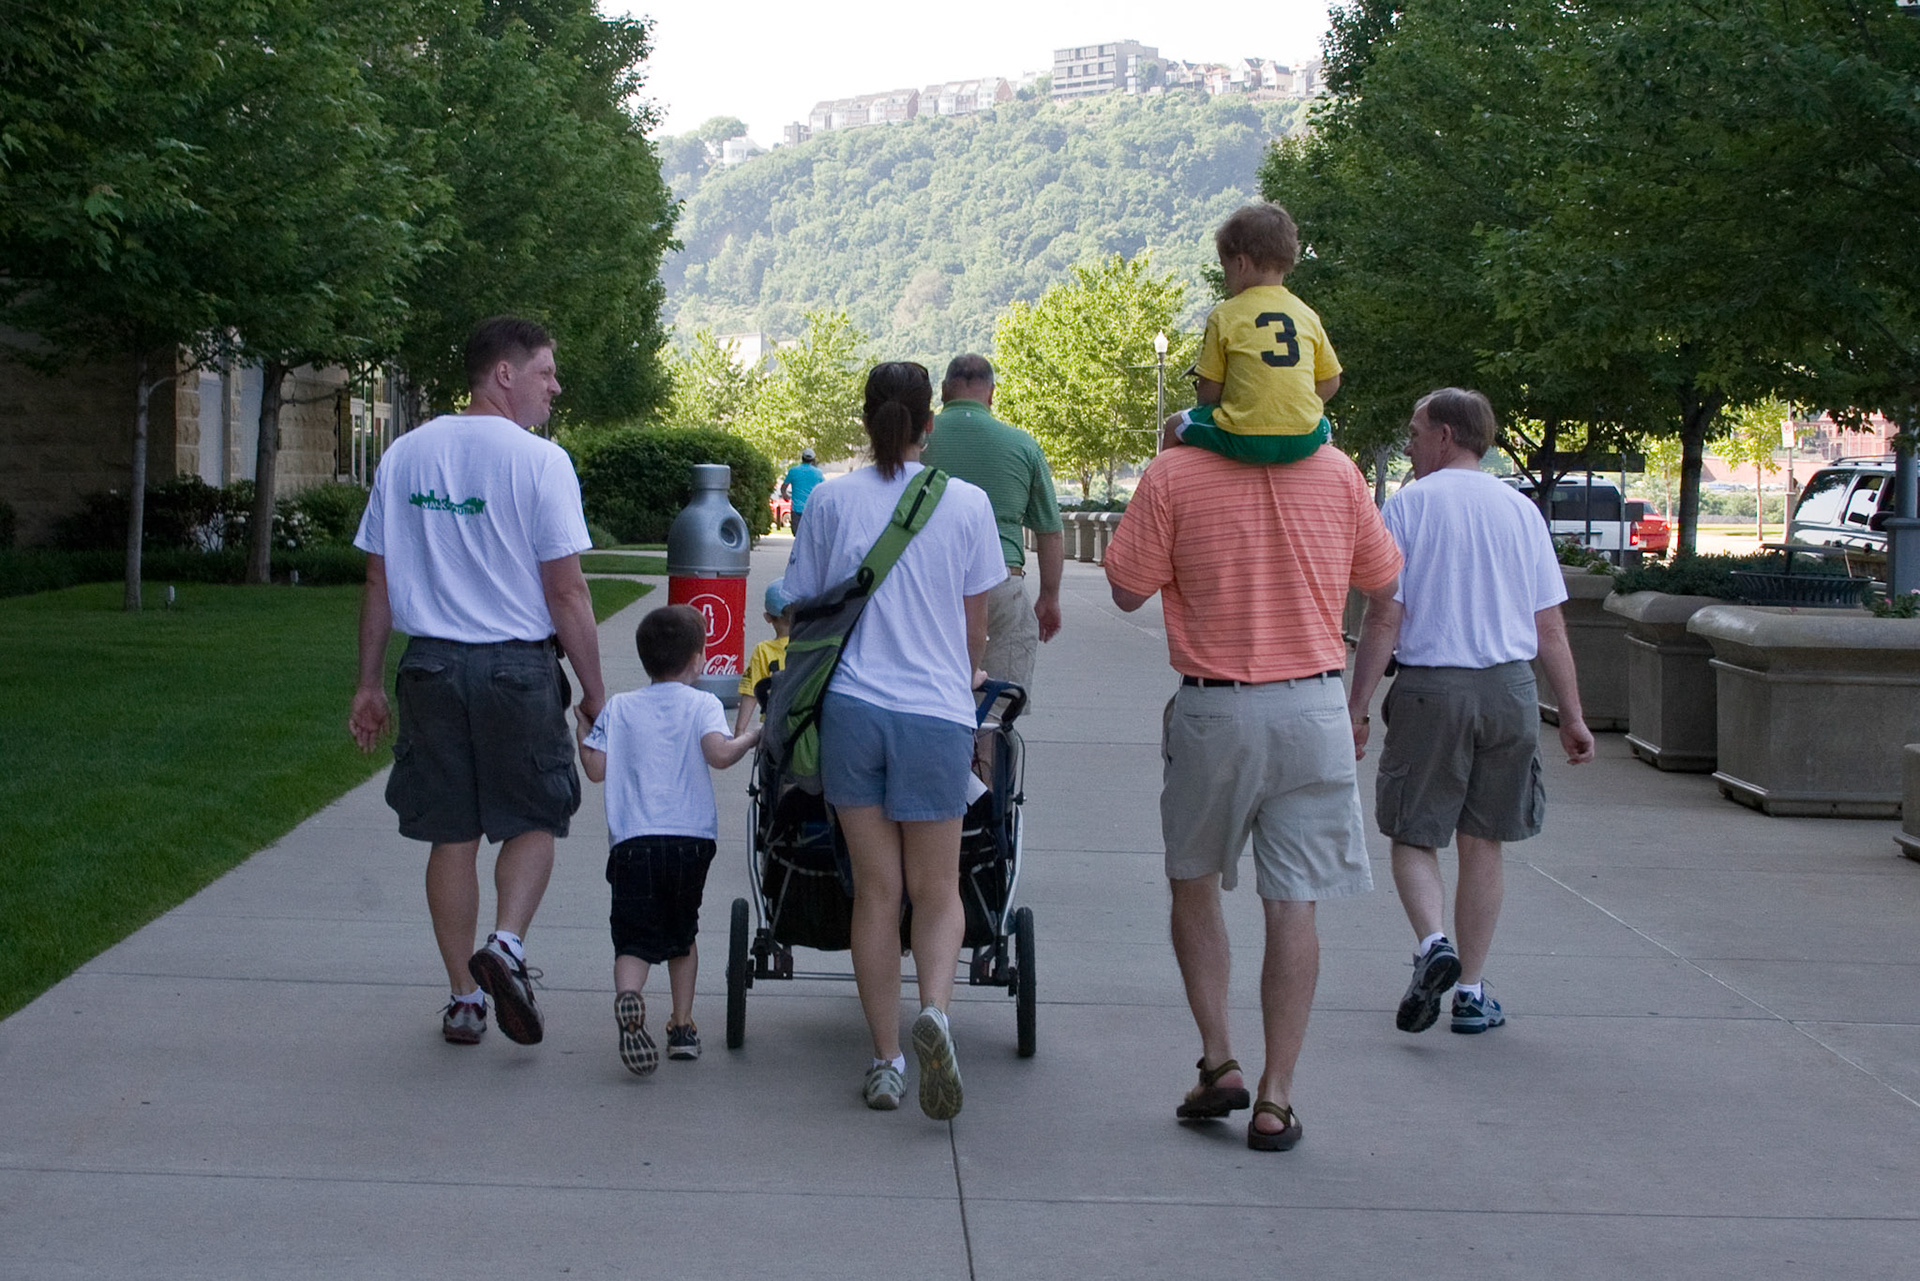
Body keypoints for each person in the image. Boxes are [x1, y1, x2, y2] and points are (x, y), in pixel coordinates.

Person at [1103, 436, 1401, 1152]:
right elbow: (1385, 589)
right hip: (1315, 705)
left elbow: (1125, 588)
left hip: (1217, 707)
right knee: (1294, 899)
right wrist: (1358, 705)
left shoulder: (1176, 469)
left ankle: (1218, 1058)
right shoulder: (1337, 471)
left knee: (1193, 878)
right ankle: (1276, 1096)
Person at [349, 315, 605, 1048]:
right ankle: (507, 943)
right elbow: (566, 591)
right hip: (515, 668)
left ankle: (465, 997)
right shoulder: (539, 462)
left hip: (428, 666)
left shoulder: (404, 455)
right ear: (504, 373)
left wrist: (368, 683)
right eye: (547, 371)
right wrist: (594, 691)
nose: (555, 386)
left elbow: (378, 575)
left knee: (450, 833)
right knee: (534, 816)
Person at [782, 361, 1004, 1119]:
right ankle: (935, 1009)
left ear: (866, 415)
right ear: (929, 423)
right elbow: (975, 631)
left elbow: (798, 611)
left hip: (852, 711)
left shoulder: (833, 500)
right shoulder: (967, 504)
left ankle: (885, 1059)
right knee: (937, 890)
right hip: (937, 713)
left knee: (877, 891)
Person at [1346, 388, 1596, 1036]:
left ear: (1447, 436)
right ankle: (1473, 991)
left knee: (1413, 832)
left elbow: (1384, 616)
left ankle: (1434, 943)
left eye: (1415, 429)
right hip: (1510, 692)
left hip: (1433, 688)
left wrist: (1359, 706)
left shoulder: (1406, 508)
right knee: (1484, 839)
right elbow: (1550, 627)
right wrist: (1570, 714)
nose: (1408, 441)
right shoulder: (1521, 513)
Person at [578, 605, 759, 1074]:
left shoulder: (619, 707)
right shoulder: (702, 705)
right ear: (698, 660)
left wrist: (583, 731)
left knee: (633, 939)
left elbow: (596, 770)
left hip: (633, 842)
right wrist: (752, 737)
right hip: (689, 841)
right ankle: (681, 1026)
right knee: (682, 934)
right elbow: (719, 756)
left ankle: (630, 998)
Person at [919, 354, 1064, 694]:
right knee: (995, 708)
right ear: (992, 394)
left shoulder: (920, 442)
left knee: (931, 697)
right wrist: (1049, 596)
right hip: (1001, 581)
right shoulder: (1023, 445)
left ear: (943, 391)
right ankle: (987, 747)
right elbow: (1049, 530)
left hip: (932, 583)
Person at [1159, 203, 1341, 464]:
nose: (1225, 280)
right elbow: (1331, 381)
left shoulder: (1224, 315)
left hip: (1244, 437)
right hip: (1303, 439)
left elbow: (1209, 392)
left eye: (1225, 268)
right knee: (1322, 424)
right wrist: (1292, 409)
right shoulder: (1306, 314)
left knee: (1175, 424)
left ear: (1241, 263)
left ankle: (1166, 479)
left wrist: (1219, 413)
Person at [733, 578, 796, 736]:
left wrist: (739, 731)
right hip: (804, 723)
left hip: (773, 726)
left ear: (767, 617)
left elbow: (751, 692)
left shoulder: (763, 650)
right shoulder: (810, 644)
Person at [781, 449, 826, 535]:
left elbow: (783, 487)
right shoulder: (818, 473)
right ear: (813, 460)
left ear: (802, 458)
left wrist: (785, 495)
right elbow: (823, 489)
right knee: (810, 536)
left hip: (797, 509)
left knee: (798, 535)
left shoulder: (793, 471)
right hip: (812, 509)